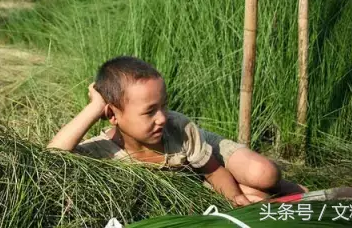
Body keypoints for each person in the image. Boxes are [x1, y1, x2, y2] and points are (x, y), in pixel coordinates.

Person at [47, 56, 307, 207]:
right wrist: (95, 106)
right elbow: (52, 157)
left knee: (264, 175)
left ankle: (290, 186)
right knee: (258, 198)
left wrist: (236, 197)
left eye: (164, 105)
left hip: (204, 149)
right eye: (149, 111)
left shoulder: (177, 126)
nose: (161, 117)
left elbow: (213, 169)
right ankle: (275, 193)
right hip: (192, 173)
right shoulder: (103, 151)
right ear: (113, 115)